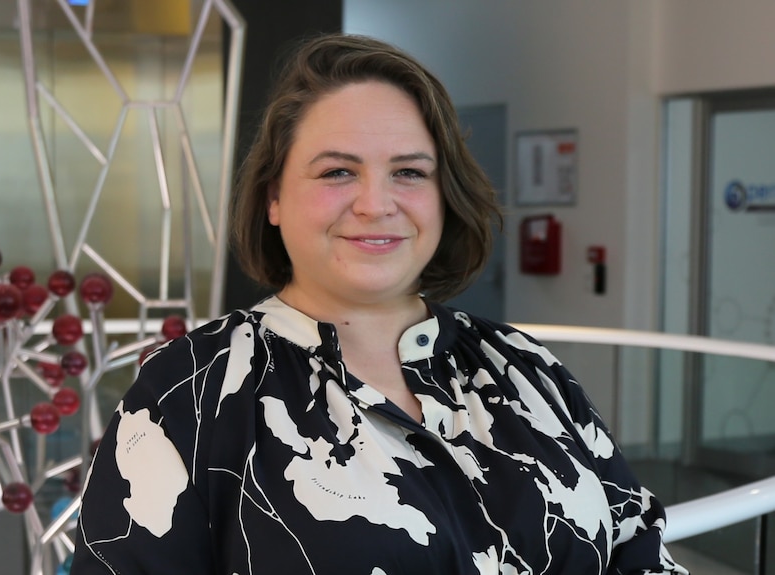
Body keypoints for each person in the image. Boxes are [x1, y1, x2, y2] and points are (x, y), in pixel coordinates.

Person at [70, 33, 688, 575]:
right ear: (273, 199)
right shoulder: (190, 393)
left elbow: (638, 547)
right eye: (338, 171)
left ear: (444, 196)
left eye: (410, 172)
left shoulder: (523, 365)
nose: (375, 203)